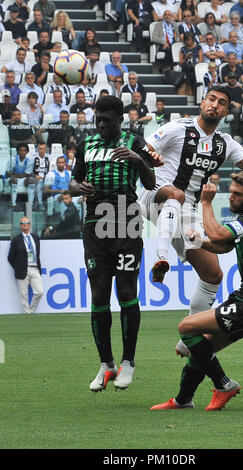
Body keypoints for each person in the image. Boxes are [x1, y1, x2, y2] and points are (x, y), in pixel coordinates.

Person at [138, 86, 243, 328]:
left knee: (213, 274)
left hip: (186, 210)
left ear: (226, 111)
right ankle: (161, 257)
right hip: (155, 194)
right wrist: (149, 159)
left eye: (221, 102)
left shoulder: (225, 143)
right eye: (211, 99)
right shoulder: (178, 128)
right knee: (176, 194)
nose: (214, 105)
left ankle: (191, 334)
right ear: (202, 102)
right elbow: (143, 151)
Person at [150, 169, 243, 411]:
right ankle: (182, 400)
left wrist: (206, 203)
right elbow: (224, 245)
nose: (231, 197)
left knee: (186, 329)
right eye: (230, 192)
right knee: (203, 348)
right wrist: (200, 242)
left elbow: (218, 233)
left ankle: (224, 384)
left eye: (237, 194)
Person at [69, 95, 158, 392]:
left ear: (120, 120)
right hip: (95, 223)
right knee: (98, 295)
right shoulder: (86, 145)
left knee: (127, 291)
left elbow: (149, 182)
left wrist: (137, 160)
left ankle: (128, 363)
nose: (101, 125)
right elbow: (73, 181)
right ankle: (106, 364)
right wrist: (77, 187)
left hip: (127, 220)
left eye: (107, 121)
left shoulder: (135, 142)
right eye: (98, 120)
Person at [8, 216, 43, 314]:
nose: (24, 224)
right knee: (23, 294)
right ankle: (26, 314)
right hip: (22, 269)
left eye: (26, 222)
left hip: (35, 268)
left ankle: (31, 312)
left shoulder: (35, 238)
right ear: (20, 225)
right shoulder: (16, 240)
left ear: (30, 224)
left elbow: (37, 253)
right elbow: (11, 257)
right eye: (22, 223)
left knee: (39, 292)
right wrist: (18, 267)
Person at [4, 143, 36, 208]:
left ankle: (30, 203)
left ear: (27, 152)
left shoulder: (30, 160)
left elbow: (27, 173)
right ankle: (13, 203)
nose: (22, 152)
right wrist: (18, 175)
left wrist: (17, 175)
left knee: (32, 181)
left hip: (22, 178)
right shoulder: (12, 159)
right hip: (12, 179)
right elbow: (8, 173)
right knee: (14, 180)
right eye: (20, 150)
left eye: (24, 150)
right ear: (18, 151)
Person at [179, 31, 203, 96]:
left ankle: (192, 88)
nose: (188, 42)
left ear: (192, 39)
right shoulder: (183, 49)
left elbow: (201, 60)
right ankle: (190, 88)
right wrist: (186, 58)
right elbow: (180, 63)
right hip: (185, 66)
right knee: (189, 67)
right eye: (186, 40)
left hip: (196, 65)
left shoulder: (198, 48)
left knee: (193, 68)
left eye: (189, 40)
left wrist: (196, 63)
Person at [32, 142, 50, 211]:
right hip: (37, 178)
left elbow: (51, 169)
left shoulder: (49, 157)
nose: (41, 150)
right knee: (39, 182)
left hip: (48, 178)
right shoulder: (33, 157)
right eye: (40, 149)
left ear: (46, 149)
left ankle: (51, 205)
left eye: (43, 149)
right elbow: (30, 171)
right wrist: (34, 176)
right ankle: (40, 204)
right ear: (37, 149)